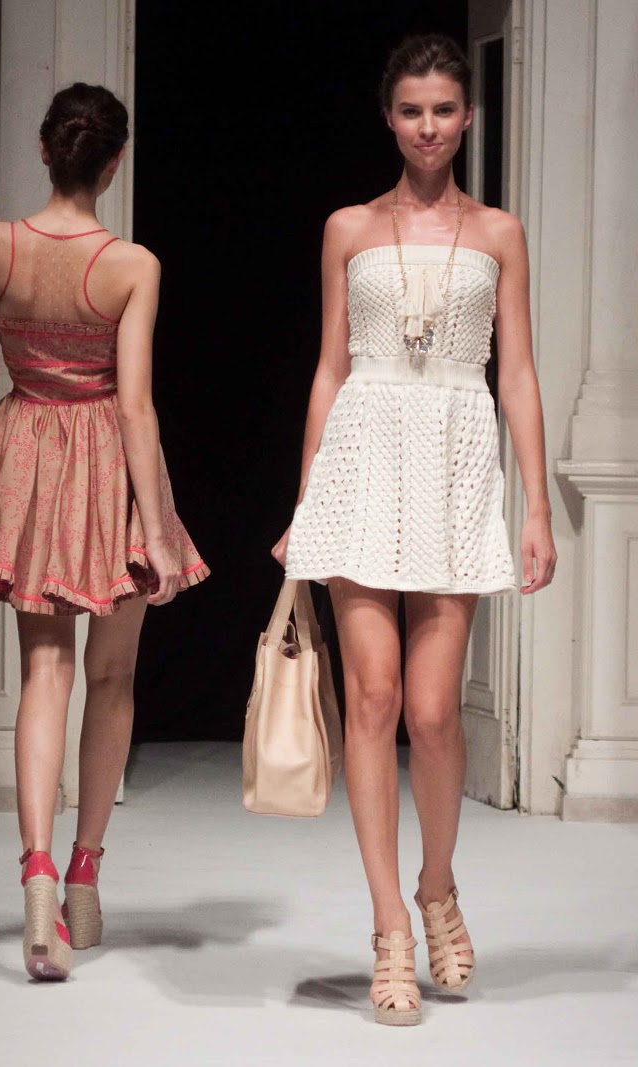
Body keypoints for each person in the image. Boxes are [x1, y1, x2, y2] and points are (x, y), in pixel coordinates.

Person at [271, 34, 556, 1026]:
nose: (427, 127)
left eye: (443, 110)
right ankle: (390, 925)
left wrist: (536, 505)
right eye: (410, 110)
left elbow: (517, 371)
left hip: (455, 457)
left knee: (434, 713)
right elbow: (329, 368)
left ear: (467, 116)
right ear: (387, 118)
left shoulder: (500, 233)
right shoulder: (348, 227)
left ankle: (438, 884)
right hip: (363, 457)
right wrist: (306, 499)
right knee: (374, 698)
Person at [0, 83, 207, 981]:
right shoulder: (132, 265)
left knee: (46, 673)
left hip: (29, 452)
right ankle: (83, 875)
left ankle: (35, 872)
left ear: (46, 151)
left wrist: (13, 462)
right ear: (113, 164)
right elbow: (136, 404)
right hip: (112, 469)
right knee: (112, 678)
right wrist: (155, 527)